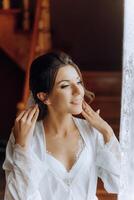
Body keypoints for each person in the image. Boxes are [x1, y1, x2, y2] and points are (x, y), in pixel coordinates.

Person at [3, 51, 120, 200]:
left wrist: (108, 132)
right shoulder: (24, 137)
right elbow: (17, 197)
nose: (79, 91)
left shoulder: (93, 132)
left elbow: (121, 183)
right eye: (65, 86)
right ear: (44, 97)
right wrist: (21, 148)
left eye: (78, 82)